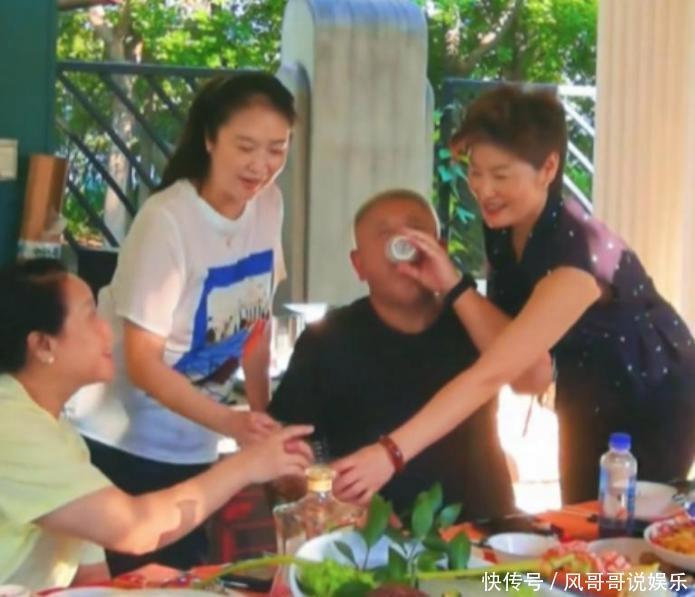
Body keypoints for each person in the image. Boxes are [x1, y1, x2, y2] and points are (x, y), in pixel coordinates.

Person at [332, 86, 695, 506]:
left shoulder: (577, 259)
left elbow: (492, 373)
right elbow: (527, 373)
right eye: (476, 171)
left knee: (626, 531)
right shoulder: (504, 228)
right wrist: (453, 284)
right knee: (581, 521)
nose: (484, 189)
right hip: (583, 391)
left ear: (548, 168)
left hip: (652, 396)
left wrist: (390, 454)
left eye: (501, 175)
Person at [67, 71, 295, 573]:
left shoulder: (269, 206)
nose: (261, 165)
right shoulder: (167, 220)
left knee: (182, 576)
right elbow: (144, 364)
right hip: (120, 443)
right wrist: (231, 423)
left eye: (277, 149)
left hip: (195, 445)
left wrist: (262, 420)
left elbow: (255, 325)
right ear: (210, 139)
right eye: (246, 147)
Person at [0, 259, 313, 592]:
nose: (107, 330)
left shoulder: (57, 431)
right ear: (43, 345)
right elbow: (135, 529)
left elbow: (91, 577)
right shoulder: (13, 426)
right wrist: (248, 465)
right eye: (91, 315)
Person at [269, 189, 553, 517]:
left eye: (416, 232)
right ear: (358, 265)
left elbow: (534, 377)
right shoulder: (327, 338)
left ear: (440, 248)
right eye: (386, 236)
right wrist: (334, 495)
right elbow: (283, 456)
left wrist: (453, 284)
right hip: (372, 535)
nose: (403, 246)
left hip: (484, 526)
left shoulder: (471, 319)